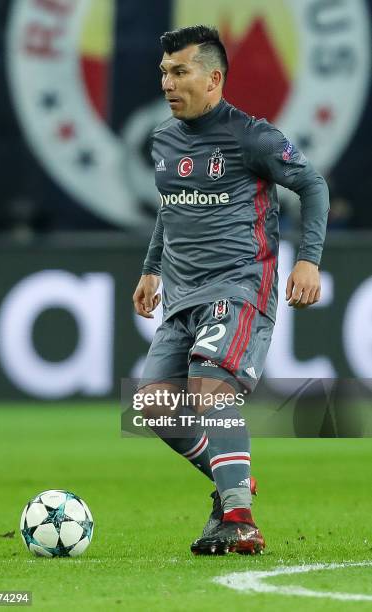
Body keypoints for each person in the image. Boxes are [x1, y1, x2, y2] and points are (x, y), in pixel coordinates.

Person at [132, 25, 329, 555]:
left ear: (214, 78)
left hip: (240, 286)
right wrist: (151, 268)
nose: (168, 84)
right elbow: (170, 207)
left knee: (210, 391)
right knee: (153, 406)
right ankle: (231, 481)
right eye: (164, 73)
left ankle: (239, 518)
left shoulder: (252, 136)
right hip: (181, 294)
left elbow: (312, 185)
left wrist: (308, 261)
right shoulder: (163, 140)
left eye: (180, 72)